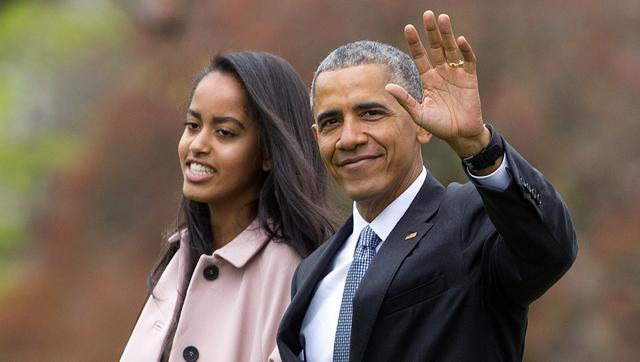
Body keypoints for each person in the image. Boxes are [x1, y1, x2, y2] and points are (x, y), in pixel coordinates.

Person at [277, 10, 577, 361]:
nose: (349, 138)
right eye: (331, 122)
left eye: (371, 113)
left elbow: (549, 249)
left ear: (421, 123)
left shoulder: (470, 220)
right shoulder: (311, 273)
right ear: (316, 137)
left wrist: (479, 147)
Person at [121, 51, 336, 361]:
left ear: (269, 153)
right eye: (193, 125)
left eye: (224, 132)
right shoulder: (180, 256)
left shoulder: (292, 272)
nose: (197, 145)